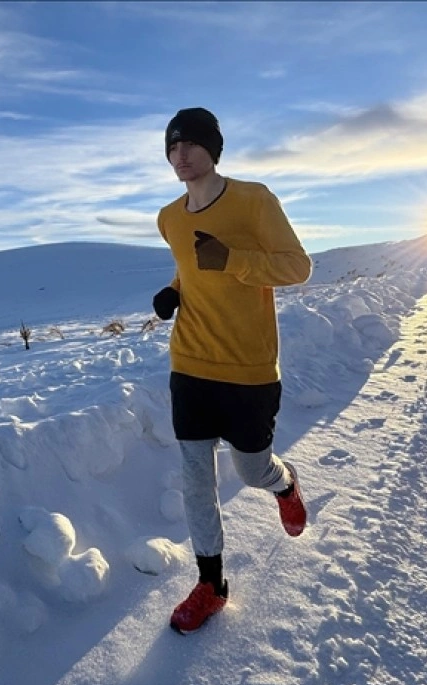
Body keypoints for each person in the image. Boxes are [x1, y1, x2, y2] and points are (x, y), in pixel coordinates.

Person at [152, 107, 312, 634]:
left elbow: (296, 265)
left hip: (248, 368)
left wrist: (234, 259)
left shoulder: (253, 200)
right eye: (173, 146)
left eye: (192, 144)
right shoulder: (169, 217)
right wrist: (173, 292)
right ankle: (211, 583)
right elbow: (188, 265)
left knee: (250, 470)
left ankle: (285, 485)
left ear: (213, 149)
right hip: (190, 363)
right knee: (196, 478)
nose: (182, 155)